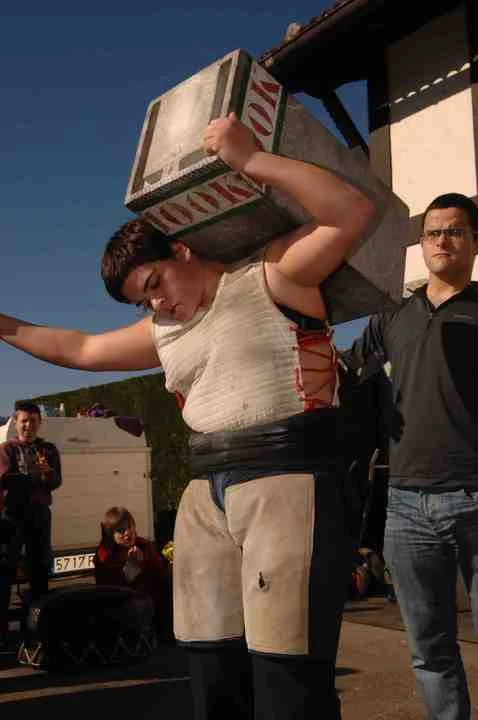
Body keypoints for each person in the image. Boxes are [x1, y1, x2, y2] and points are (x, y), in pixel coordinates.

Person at [0, 112, 376, 718]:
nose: (157, 302)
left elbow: (350, 213)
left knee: (288, 673)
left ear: (181, 249)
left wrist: (250, 159)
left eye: (155, 281)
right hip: (206, 492)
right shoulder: (163, 332)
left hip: (288, 477)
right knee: (208, 664)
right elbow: (78, 348)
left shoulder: (273, 275)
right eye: (142, 299)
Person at [343, 193, 478, 720]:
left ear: (473, 242)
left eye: (455, 231)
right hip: (406, 506)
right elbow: (346, 371)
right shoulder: (393, 314)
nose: (442, 240)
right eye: (432, 233)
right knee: (430, 649)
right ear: (421, 244)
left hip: (475, 495)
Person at [0, 401, 62, 648]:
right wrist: (34, 477)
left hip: (39, 516)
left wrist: (47, 473)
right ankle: (2, 633)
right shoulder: (7, 449)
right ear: (16, 423)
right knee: (4, 574)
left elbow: (56, 482)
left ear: (40, 423)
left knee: (40, 572)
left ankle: (38, 630)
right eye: (24, 420)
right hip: (11, 518)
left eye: (33, 421)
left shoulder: (49, 449)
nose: (28, 425)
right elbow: (5, 479)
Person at [93, 506, 169, 637]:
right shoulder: (104, 554)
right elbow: (110, 589)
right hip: (122, 606)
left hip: (151, 602)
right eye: (121, 530)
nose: (128, 533)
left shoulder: (144, 545)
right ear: (110, 534)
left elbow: (159, 574)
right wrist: (131, 567)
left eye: (130, 527)